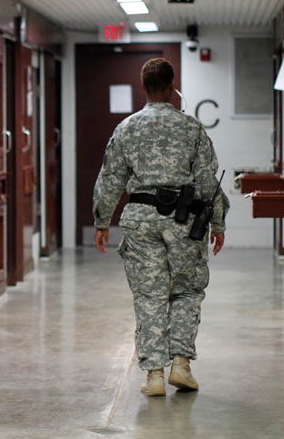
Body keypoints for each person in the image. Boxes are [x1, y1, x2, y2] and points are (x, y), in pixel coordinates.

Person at [92, 57, 229, 396]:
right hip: (184, 222)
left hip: (140, 221)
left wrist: (101, 220)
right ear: (172, 87)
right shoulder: (191, 127)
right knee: (185, 290)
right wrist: (218, 221)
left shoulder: (127, 128)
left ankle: (154, 375)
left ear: (144, 88)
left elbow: (110, 179)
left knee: (149, 295)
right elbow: (207, 180)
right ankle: (181, 365)